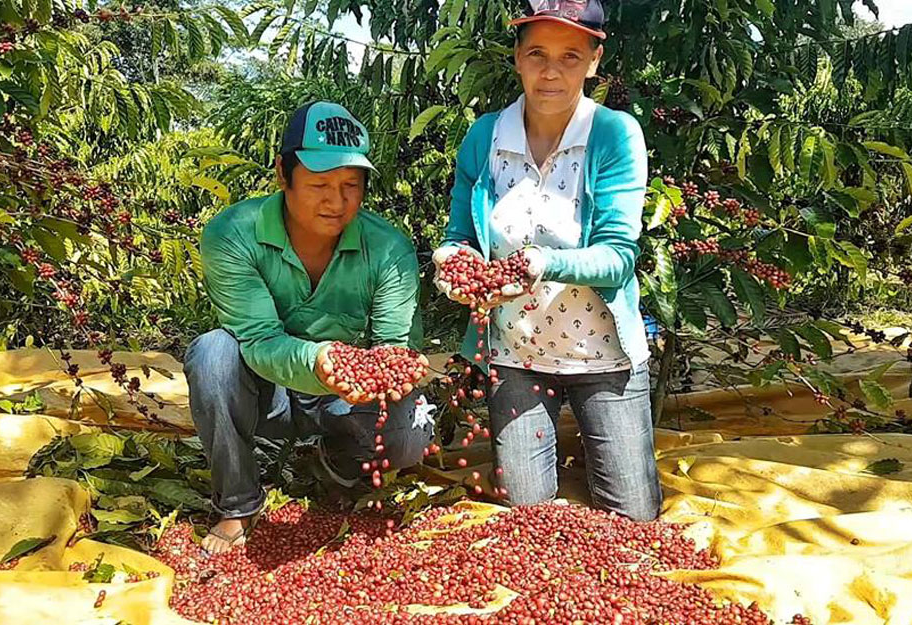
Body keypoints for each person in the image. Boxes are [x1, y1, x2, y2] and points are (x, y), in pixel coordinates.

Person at [432, 0, 662, 521]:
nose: (551, 70)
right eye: (536, 52)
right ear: (516, 57)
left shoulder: (614, 136)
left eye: (570, 55)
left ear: (594, 61)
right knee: (525, 520)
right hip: (516, 356)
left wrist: (539, 262)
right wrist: (453, 264)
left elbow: (618, 258)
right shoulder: (485, 137)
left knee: (635, 518)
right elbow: (461, 237)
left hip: (602, 357)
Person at [186, 101, 433, 553]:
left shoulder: (388, 246)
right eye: (319, 184)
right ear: (283, 174)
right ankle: (239, 499)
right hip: (272, 391)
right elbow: (258, 339)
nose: (335, 202)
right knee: (212, 353)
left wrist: (394, 367)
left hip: (345, 398)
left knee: (409, 433)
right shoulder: (232, 234)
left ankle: (336, 461)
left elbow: (393, 346)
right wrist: (320, 360)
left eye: (350, 186)